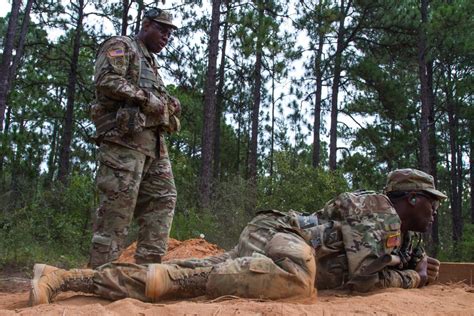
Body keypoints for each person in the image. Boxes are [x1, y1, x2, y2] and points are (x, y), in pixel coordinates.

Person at [30, 169, 446, 305]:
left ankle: (65, 278)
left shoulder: (408, 239)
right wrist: (412, 278)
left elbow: (391, 268)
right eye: (431, 202)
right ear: (410, 199)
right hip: (279, 233)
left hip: (277, 247)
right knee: (298, 278)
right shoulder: (379, 210)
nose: (435, 211)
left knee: (186, 271)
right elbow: (364, 282)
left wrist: (414, 267)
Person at [89, 8, 181, 268]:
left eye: (169, 33)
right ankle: (99, 276)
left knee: (163, 199)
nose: (166, 37)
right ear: (146, 24)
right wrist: (143, 97)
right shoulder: (122, 46)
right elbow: (105, 79)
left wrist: (168, 103)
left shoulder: (150, 62)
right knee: (117, 211)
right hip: (123, 144)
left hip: (154, 148)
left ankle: (146, 270)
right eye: (162, 30)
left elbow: (155, 101)